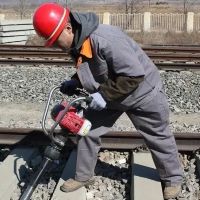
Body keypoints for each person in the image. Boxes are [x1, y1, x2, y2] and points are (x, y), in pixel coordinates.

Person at [33, 3, 183, 199]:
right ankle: (83, 175)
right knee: (87, 129)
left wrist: (103, 95)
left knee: (158, 135)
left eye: (54, 40)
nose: (54, 45)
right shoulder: (77, 42)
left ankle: (173, 178)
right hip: (110, 93)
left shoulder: (105, 39)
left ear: (68, 28)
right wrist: (75, 80)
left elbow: (133, 75)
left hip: (142, 92)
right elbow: (92, 67)